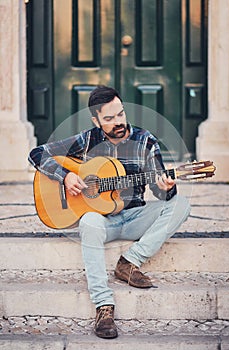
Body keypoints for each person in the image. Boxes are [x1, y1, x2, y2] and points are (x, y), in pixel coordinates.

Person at [29, 85, 190, 339]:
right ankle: (104, 305)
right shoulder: (87, 139)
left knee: (181, 204)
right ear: (96, 120)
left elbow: (161, 194)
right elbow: (37, 153)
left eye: (120, 114)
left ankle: (129, 262)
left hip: (135, 217)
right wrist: (65, 176)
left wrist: (167, 186)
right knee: (89, 221)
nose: (118, 122)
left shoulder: (145, 140)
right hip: (102, 222)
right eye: (109, 118)